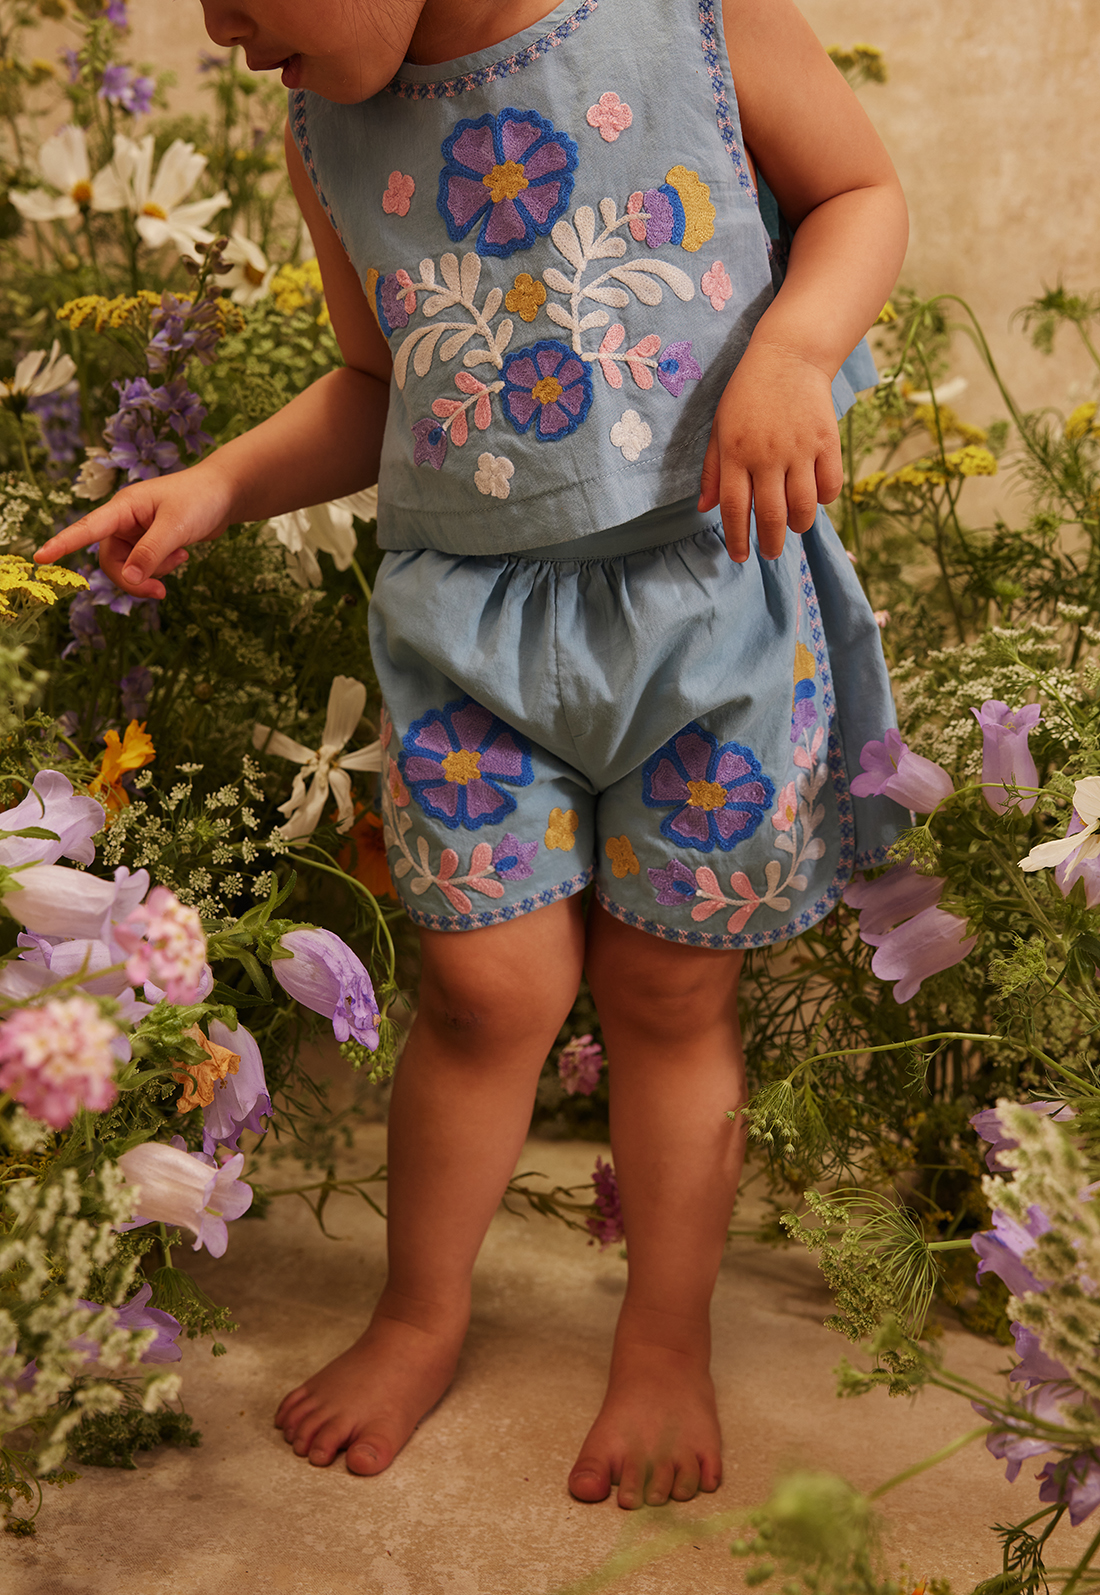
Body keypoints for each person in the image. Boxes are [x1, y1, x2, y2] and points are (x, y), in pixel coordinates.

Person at [37, 0, 909, 1510]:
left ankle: (665, 1341)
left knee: (670, 992)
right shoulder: (328, 126)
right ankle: (420, 1315)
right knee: (482, 990)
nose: (220, 29)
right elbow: (380, 385)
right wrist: (217, 483)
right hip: (474, 636)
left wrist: (795, 347)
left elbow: (860, 192)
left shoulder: (691, 18)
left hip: (708, 604)